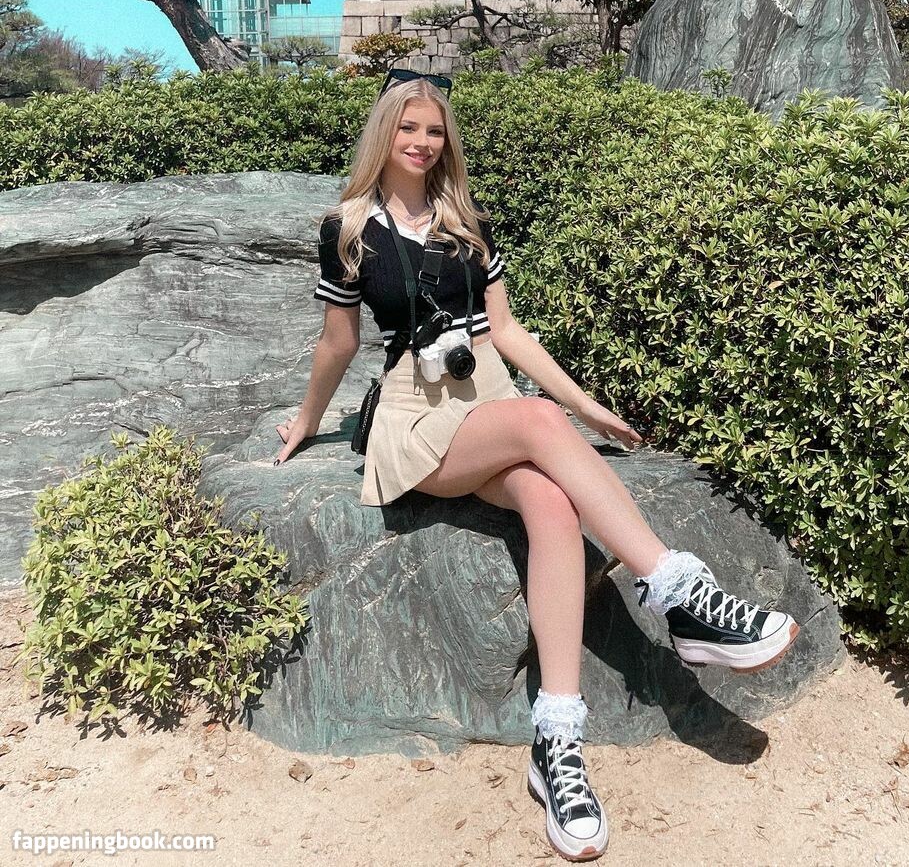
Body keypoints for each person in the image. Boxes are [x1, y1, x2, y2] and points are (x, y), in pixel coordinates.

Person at [274, 68, 800, 862]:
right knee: (538, 420)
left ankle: (556, 745)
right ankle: (680, 596)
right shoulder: (347, 229)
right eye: (408, 128)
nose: (422, 142)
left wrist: (586, 406)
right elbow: (337, 342)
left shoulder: (467, 223)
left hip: (487, 403)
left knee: (552, 505)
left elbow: (507, 332)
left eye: (435, 131)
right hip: (414, 418)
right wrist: (309, 420)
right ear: (384, 132)